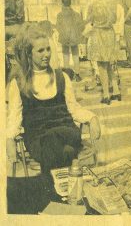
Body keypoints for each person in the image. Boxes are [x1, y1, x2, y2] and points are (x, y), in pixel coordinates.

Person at [5, 23, 101, 175]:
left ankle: (53, 185)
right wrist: (9, 139)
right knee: (62, 148)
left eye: (48, 49)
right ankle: (67, 180)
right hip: (39, 137)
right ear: (28, 54)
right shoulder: (19, 83)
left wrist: (92, 118)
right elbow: (14, 117)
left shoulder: (61, 77)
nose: (46, 54)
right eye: (40, 50)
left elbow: (74, 108)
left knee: (62, 143)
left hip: (66, 132)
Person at [85, 0, 122, 105]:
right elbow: (115, 19)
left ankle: (106, 94)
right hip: (110, 33)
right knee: (110, 63)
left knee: (101, 66)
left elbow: (88, 20)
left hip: (98, 34)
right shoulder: (114, 3)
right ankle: (116, 91)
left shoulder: (93, 5)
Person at [56, 0, 85, 82]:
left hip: (64, 37)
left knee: (65, 55)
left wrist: (64, 33)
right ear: (70, 3)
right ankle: (77, 74)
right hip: (74, 37)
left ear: (62, 3)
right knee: (76, 55)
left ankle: (67, 75)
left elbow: (58, 27)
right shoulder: (76, 14)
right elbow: (81, 26)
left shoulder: (60, 15)